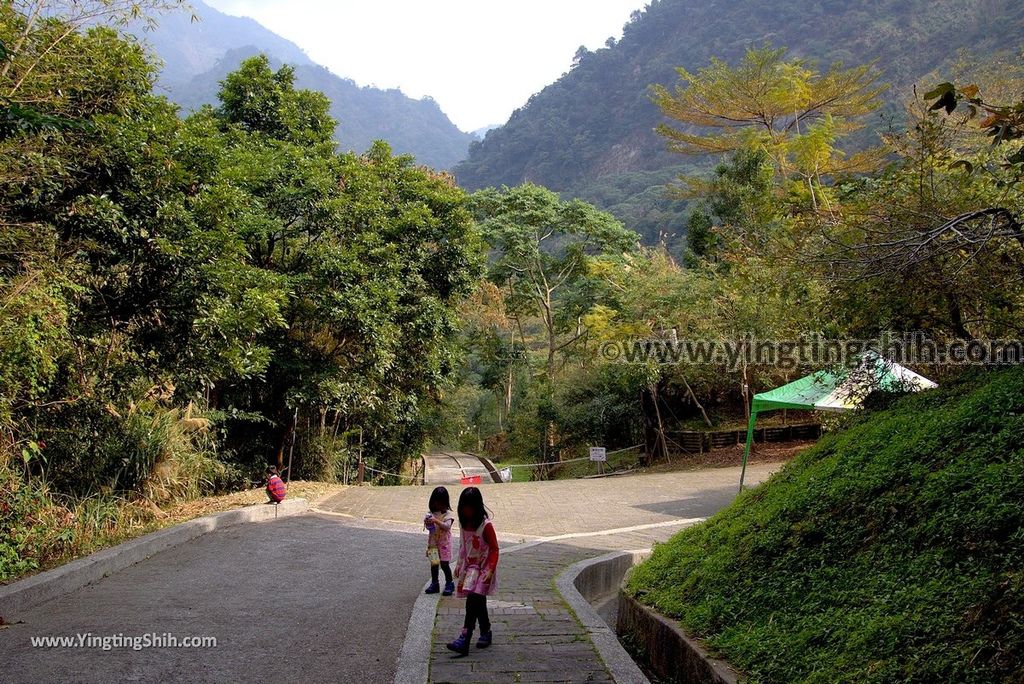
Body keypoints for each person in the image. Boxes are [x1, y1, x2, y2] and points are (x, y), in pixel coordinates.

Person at [447, 487, 499, 655]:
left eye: (469, 507)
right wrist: (459, 564)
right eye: (464, 507)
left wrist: (490, 570)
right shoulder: (464, 524)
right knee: (477, 601)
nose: (466, 511)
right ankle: (486, 631)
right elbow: (463, 545)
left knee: (473, 601)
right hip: (470, 570)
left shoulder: (486, 526)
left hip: (484, 570)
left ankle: (465, 637)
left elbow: (494, 549)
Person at [424, 486, 456, 596]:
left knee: (444, 564)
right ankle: (435, 583)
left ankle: (449, 583)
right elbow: (430, 528)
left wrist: (435, 521)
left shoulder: (448, 515)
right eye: (435, 502)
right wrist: (428, 523)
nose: (437, 505)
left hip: (444, 545)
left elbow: (447, 527)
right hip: (433, 544)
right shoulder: (431, 513)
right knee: (434, 564)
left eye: (440, 503)